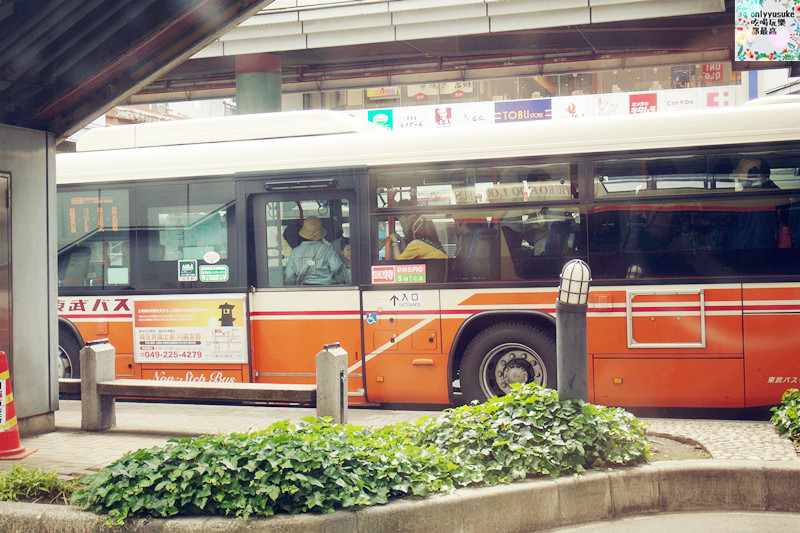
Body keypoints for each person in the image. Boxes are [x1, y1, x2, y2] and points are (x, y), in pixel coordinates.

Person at [284, 216, 345, 285]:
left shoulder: (295, 251)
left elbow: (289, 275)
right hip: (327, 289)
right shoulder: (328, 249)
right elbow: (336, 267)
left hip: (304, 289)